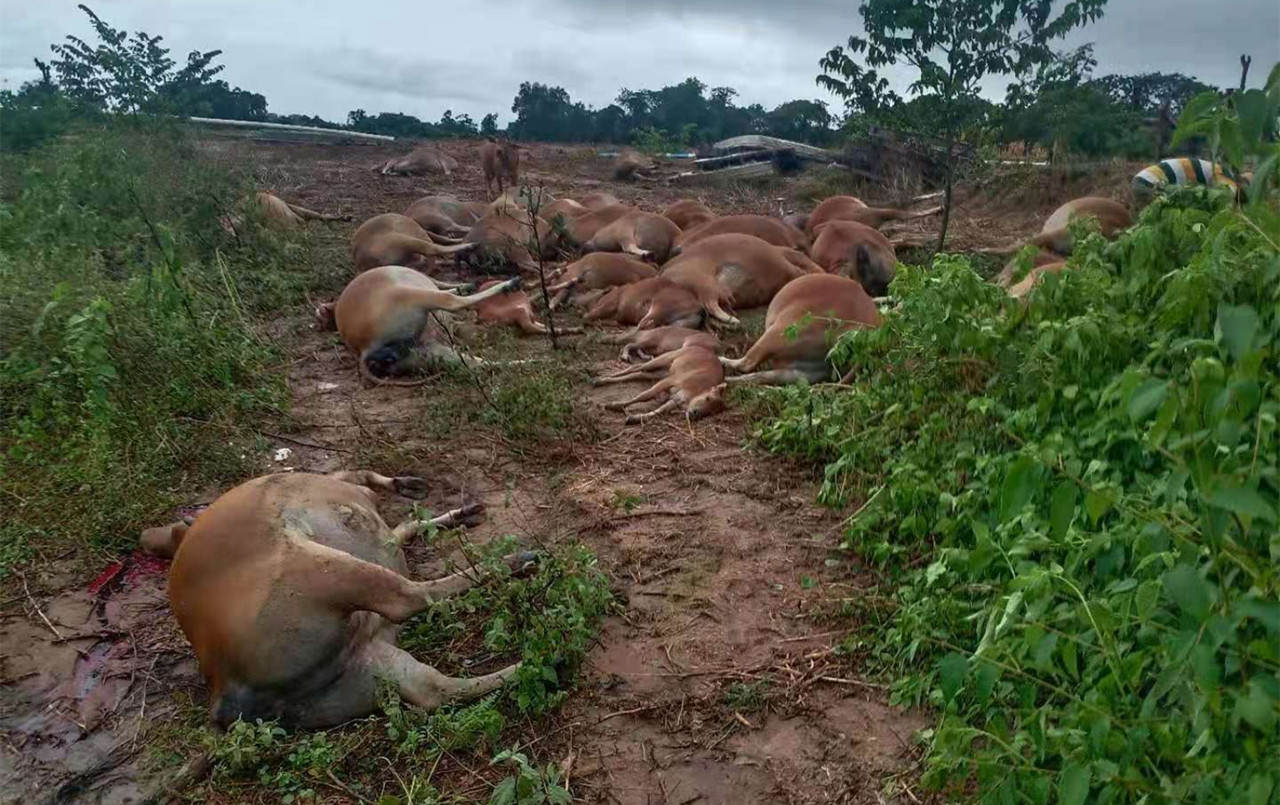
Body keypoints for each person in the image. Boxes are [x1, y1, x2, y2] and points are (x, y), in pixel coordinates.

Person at [1132, 157, 1239, 205]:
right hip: (1147, 182)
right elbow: (1228, 194)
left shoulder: (1213, 168)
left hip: (1142, 179)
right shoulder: (1223, 175)